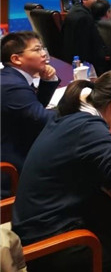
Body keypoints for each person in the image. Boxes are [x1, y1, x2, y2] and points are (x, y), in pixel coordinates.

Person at [12, 70, 111, 272]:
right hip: (54, 243)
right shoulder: (89, 127)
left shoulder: (73, 111)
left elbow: (81, 143)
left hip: (38, 222)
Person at [0, 32, 59, 196]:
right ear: (16, 59)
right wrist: (80, 108)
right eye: (37, 50)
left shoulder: (11, 77)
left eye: (42, 48)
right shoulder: (11, 86)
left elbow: (32, 109)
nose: (43, 54)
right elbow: (42, 120)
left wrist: (47, 81)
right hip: (13, 167)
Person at [62, 0, 109, 74]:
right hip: (83, 62)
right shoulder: (85, 17)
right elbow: (90, 45)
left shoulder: (76, 10)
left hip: (68, 56)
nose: (96, 1)